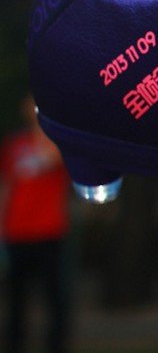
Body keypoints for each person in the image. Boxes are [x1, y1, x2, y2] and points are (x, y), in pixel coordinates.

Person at [1, 95, 72, 353]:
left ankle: (56, 345)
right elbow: (6, 185)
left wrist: (47, 126)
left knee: (53, 297)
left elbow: (53, 158)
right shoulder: (14, 144)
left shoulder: (58, 142)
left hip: (48, 230)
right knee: (17, 297)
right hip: (17, 231)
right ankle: (15, 343)